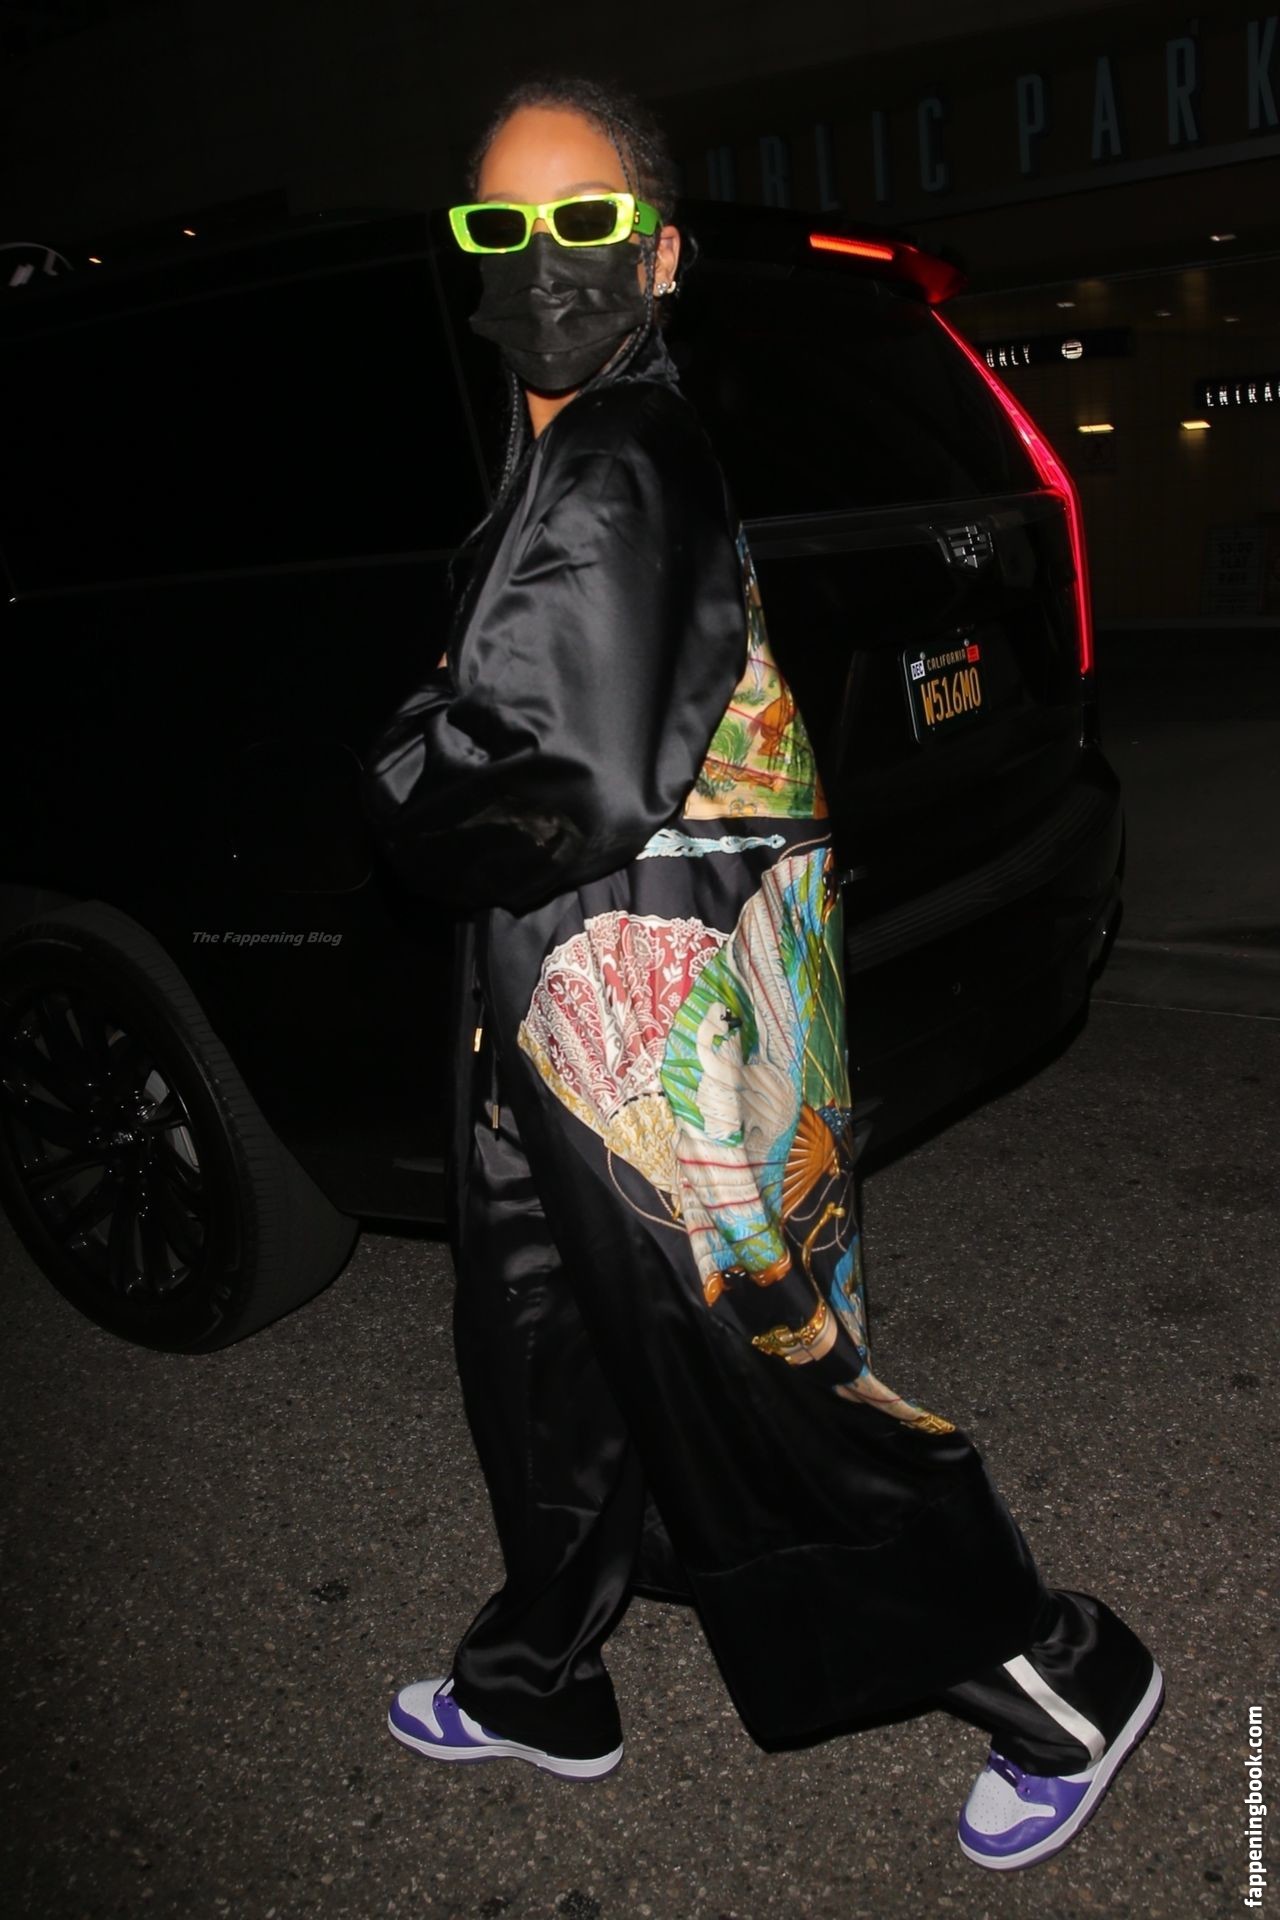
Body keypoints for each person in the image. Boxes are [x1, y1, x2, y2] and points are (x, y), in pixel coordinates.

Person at [358, 73, 1163, 1871]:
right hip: (571, 1005)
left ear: (656, 255)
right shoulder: (572, 453)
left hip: (661, 1022)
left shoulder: (619, 459)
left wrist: (400, 769)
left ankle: (1062, 1680)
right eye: (503, 226)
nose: (543, 260)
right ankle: (541, 1678)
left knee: (759, 1385)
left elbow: (549, 767)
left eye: (584, 222)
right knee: (548, 1346)